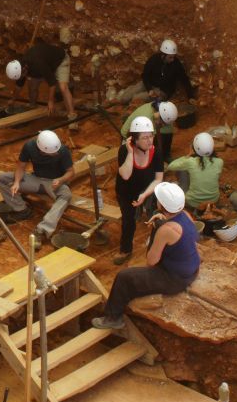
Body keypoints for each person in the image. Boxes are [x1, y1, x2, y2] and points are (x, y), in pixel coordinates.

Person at [94, 182, 200, 329]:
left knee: (124, 277)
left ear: (162, 204)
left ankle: (113, 318)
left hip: (175, 279)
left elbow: (151, 261)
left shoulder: (167, 229)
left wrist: (156, 229)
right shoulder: (186, 215)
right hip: (191, 270)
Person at [0, 129, 75, 238]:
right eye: (52, 153)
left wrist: (61, 180)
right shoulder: (29, 146)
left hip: (54, 183)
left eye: (56, 151)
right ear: (41, 150)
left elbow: (71, 172)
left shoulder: (62, 150)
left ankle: (43, 230)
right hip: (35, 179)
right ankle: (22, 210)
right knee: (1, 178)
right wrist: (17, 182)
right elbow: (21, 167)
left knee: (66, 195)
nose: (56, 153)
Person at [114, 117, 167, 260]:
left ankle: (158, 247)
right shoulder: (124, 151)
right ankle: (126, 250)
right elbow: (125, 175)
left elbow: (158, 179)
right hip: (127, 192)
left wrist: (144, 195)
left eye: (151, 136)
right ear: (134, 140)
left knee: (156, 215)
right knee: (128, 220)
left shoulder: (156, 152)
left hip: (148, 189)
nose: (149, 140)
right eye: (144, 138)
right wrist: (131, 153)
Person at [6, 36, 75, 116]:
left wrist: (50, 101)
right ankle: (32, 106)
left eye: (21, 76)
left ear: (24, 70)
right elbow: (19, 85)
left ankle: (72, 115)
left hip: (60, 60)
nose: (21, 78)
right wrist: (13, 99)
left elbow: (52, 83)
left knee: (63, 87)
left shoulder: (38, 63)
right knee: (32, 85)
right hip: (46, 64)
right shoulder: (21, 65)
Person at [120, 39, 195, 104]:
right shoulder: (154, 60)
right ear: (163, 55)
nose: (173, 59)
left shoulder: (176, 64)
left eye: (173, 57)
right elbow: (145, 75)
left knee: (136, 99)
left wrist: (190, 96)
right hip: (149, 84)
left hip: (162, 91)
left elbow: (184, 79)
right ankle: (129, 93)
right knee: (124, 98)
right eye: (170, 57)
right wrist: (149, 89)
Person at [164, 133, 223, 215]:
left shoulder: (190, 161)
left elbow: (171, 166)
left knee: (182, 169)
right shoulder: (219, 162)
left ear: (195, 148)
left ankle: (184, 192)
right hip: (213, 200)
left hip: (193, 202)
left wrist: (187, 156)